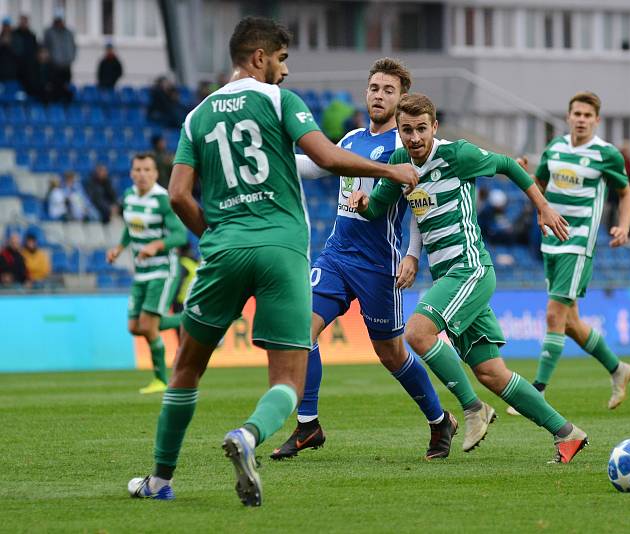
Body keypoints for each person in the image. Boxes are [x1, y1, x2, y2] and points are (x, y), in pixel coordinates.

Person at [127, 17, 417, 506]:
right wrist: (390, 167)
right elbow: (326, 157)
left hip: (224, 249)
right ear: (259, 57)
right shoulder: (280, 100)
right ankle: (248, 434)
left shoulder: (196, 115)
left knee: (186, 369)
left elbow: (178, 195)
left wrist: (215, 236)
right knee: (287, 377)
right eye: (282, 59)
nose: (285, 71)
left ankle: (158, 479)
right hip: (282, 250)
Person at [350, 93, 589, 464]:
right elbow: (379, 207)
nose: (414, 137)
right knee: (492, 372)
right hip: (447, 275)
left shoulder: (456, 155)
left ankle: (473, 408)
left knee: (416, 332)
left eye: (421, 129)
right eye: (407, 130)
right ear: (399, 130)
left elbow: (509, 165)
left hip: (470, 268)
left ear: (435, 127)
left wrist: (542, 207)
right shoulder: (399, 162)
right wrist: (364, 205)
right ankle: (567, 433)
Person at [272, 58, 487, 462]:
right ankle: (308, 424)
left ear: (402, 98)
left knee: (392, 354)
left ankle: (440, 420)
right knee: (303, 330)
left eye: (388, 90)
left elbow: (420, 206)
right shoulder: (353, 137)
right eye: (374, 88)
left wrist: (410, 255)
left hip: (378, 267)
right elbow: (319, 166)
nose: (378, 95)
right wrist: (276, 161)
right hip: (337, 255)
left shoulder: (406, 147)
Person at [508, 92, 630, 413]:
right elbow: (537, 185)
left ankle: (536, 391)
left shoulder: (606, 154)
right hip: (551, 240)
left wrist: (623, 226)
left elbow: (625, 193)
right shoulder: (555, 148)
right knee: (571, 323)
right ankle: (618, 369)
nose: (581, 119)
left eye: (587, 115)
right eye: (576, 113)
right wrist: (523, 172)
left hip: (578, 244)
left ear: (597, 120)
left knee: (554, 315)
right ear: (568, 117)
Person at [106, 153, 188, 394]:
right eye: (137, 170)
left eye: (147, 170)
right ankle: (193, 320)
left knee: (148, 325)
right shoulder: (129, 196)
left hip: (163, 270)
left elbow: (179, 236)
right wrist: (119, 249)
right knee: (135, 327)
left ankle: (161, 380)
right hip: (141, 272)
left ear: (155, 173)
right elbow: (131, 229)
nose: (142, 174)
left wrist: (156, 245)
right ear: (131, 173)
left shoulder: (162, 199)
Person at [43, 13, 75, 100]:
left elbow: (73, 47)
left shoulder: (68, 33)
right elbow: (45, 48)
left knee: (65, 90)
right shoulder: (49, 33)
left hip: (66, 67)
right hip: (54, 68)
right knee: (54, 91)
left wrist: (70, 58)